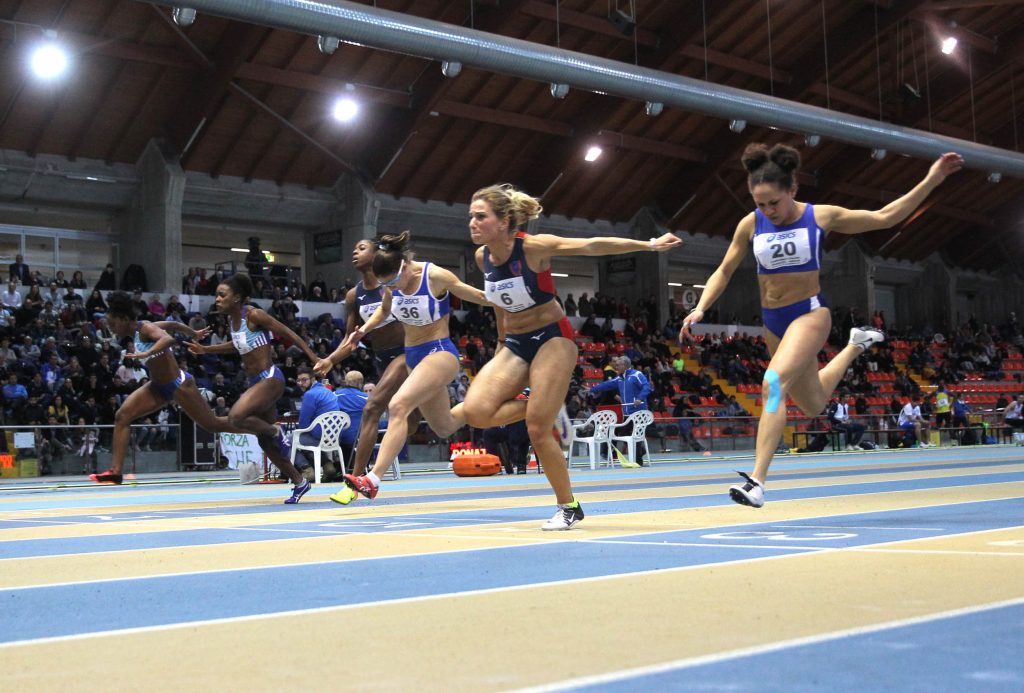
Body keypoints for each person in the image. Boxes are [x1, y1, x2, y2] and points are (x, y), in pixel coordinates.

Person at [681, 145, 962, 508]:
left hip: (810, 314)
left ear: (792, 189)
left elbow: (885, 217)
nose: (768, 210)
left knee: (772, 385)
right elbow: (724, 270)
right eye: (760, 203)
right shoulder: (750, 224)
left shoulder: (821, 216)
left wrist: (932, 179)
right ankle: (855, 345)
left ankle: (757, 482)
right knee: (813, 404)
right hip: (773, 322)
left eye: (774, 202)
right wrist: (701, 307)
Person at [460, 183, 682, 530]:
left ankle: (568, 505)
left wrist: (649, 244)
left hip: (553, 338)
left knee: (537, 429)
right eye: (471, 216)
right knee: (475, 412)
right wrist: (502, 340)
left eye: (480, 216)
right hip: (516, 342)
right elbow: (499, 303)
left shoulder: (534, 247)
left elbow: (592, 245)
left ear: (504, 221)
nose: (472, 223)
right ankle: (540, 404)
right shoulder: (481, 257)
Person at [328, 231, 487, 505]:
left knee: (397, 405)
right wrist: (363, 330)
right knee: (445, 426)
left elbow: (479, 296)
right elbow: (384, 310)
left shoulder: (435, 276)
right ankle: (488, 400)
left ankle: (372, 479)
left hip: (439, 352)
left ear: (403, 267)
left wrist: (513, 297)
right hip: (414, 357)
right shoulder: (392, 283)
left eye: (392, 282)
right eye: (386, 285)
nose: (391, 288)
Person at [188, 273, 320, 503]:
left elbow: (288, 333)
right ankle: (300, 482)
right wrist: (205, 350)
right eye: (217, 295)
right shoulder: (232, 321)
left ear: (237, 298)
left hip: (270, 379)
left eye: (222, 295)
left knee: (236, 417)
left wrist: (314, 357)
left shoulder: (254, 315)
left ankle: (277, 432)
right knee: (264, 441)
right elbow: (237, 345)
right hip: (256, 383)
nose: (217, 299)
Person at [88, 291, 244, 484]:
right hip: (157, 387)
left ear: (124, 319)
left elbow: (168, 339)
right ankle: (115, 471)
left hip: (179, 385)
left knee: (212, 424)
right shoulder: (142, 328)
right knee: (122, 416)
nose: (112, 329)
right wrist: (193, 333)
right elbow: (173, 325)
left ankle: (257, 427)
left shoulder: (145, 328)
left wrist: (148, 353)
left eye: (113, 324)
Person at [313, 238, 415, 480]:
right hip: (382, 359)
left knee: (372, 407)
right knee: (414, 423)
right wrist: (330, 360)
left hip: (408, 353)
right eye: (354, 248)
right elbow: (350, 339)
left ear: (377, 253)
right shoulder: (354, 295)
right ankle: (362, 477)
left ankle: (357, 479)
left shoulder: (394, 283)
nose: (354, 252)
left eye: (361, 248)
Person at [588, 356, 652, 465]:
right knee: (623, 434)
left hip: (639, 412)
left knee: (636, 435)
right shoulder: (619, 378)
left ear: (625, 365)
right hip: (627, 413)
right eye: (616, 365)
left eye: (618, 365)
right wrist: (592, 389)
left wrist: (640, 398)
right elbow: (606, 385)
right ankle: (641, 451)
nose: (616, 367)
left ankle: (638, 461)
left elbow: (646, 387)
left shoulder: (637, 375)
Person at [293, 365, 342, 479]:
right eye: (298, 380)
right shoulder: (328, 391)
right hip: (335, 438)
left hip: (319, 438)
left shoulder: (310, 394)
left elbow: (303, 425)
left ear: (313, 379)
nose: (301, 383)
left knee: (288, 440)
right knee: (306, 440)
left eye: (304, 380)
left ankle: (306, 469)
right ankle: (328, 466)